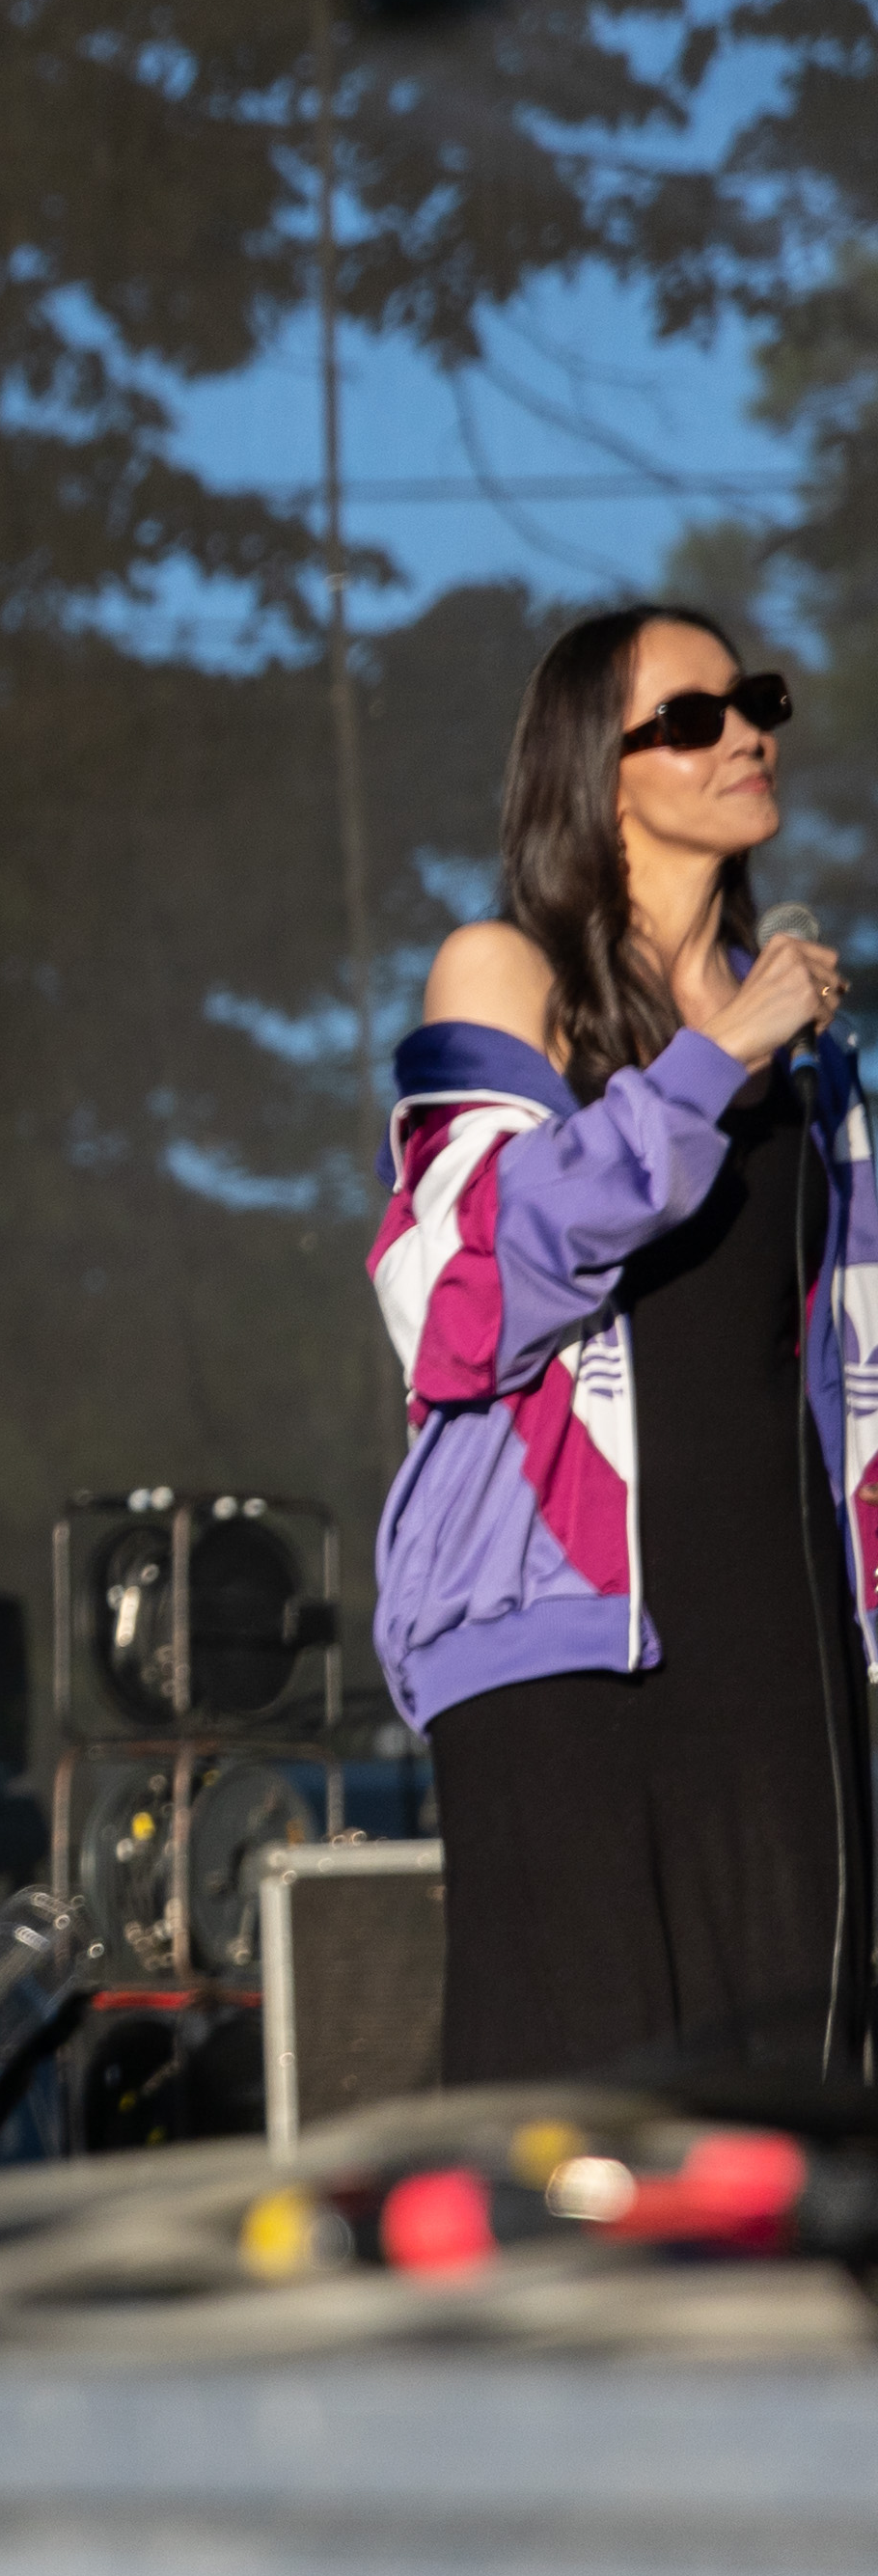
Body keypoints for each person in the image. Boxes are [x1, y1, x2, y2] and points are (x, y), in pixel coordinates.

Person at [376, 600, 873, 2084]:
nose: (747, 736)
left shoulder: (817, 1056)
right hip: (567, 1618)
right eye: (694, 718)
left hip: (780, 1626)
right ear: (598, 775)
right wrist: (716, 1058)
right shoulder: (506, 974)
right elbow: (466, 1300)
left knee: (788, 2098)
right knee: (579, 2103)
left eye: (756, 701)